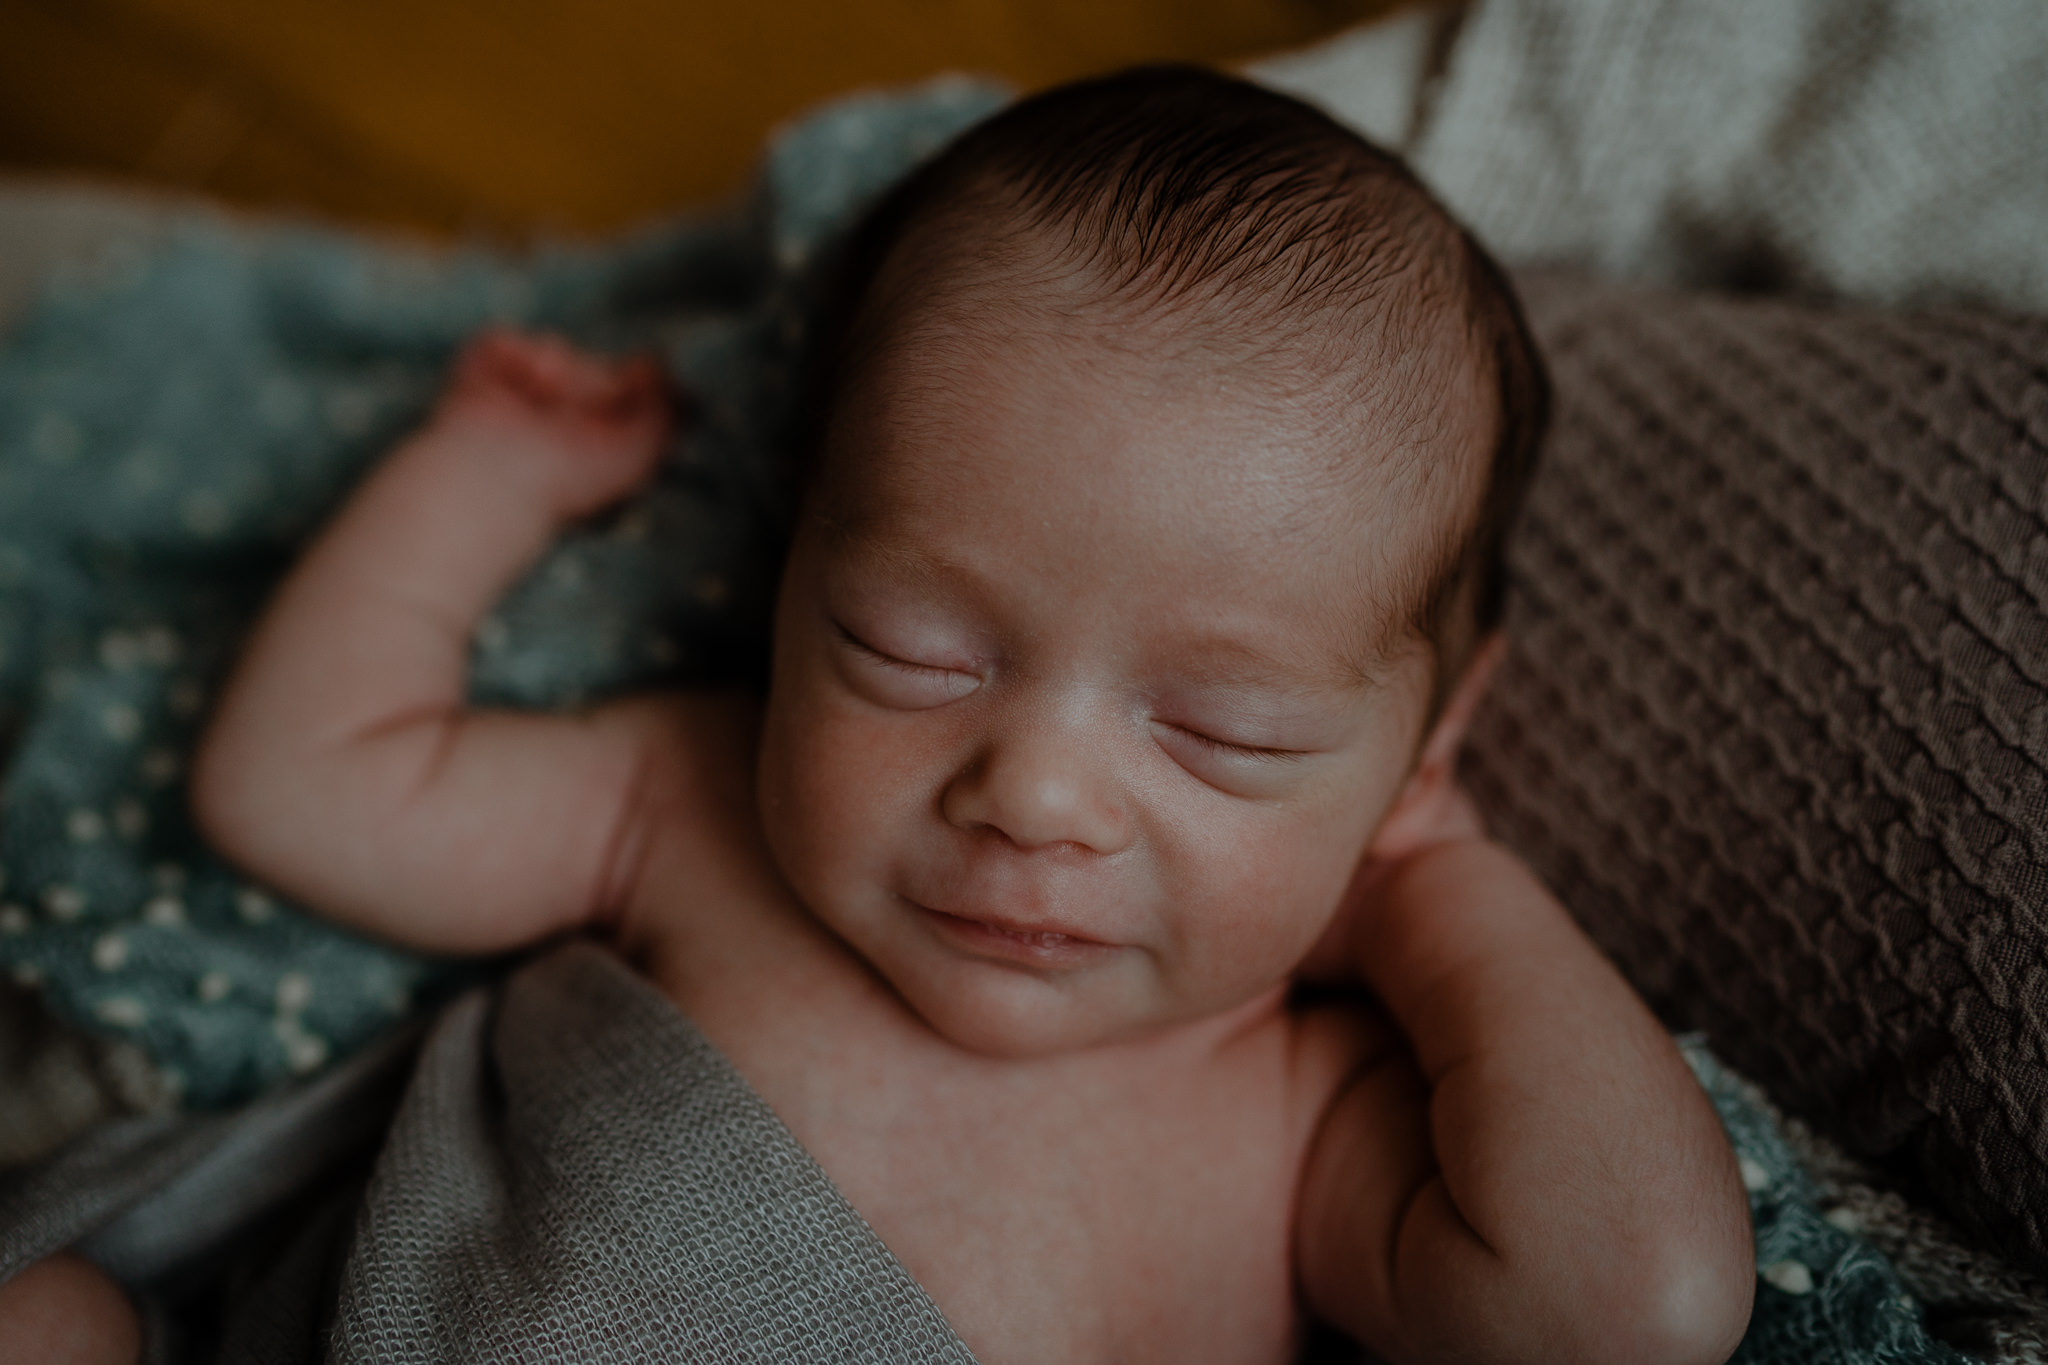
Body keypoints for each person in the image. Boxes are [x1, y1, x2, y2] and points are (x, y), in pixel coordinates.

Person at [8, 66, 1754, 1365]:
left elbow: (1633, 1307)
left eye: (1226, 734)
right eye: (912, 648)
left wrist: (1436, 877)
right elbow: (301, 788)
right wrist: (480, 483)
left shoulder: (1297, 1114)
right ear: (788, 579)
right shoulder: (687, 804)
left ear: (1427, 736)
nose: (1036, 792)